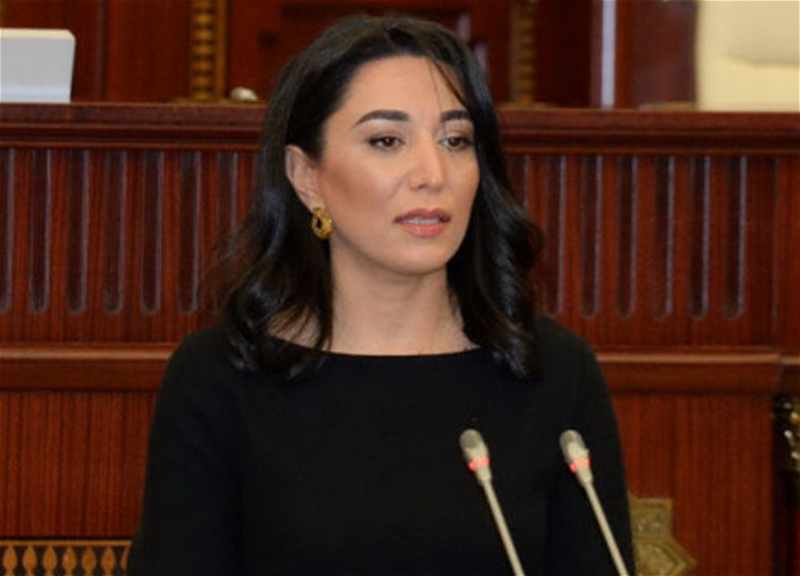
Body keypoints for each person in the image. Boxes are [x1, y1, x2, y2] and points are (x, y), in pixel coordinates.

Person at [128, 14, 634, 576]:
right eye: (387, 141)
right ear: (306, 176)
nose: (432, 173)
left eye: (456, 141)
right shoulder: (222, 379)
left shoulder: (553, 373)